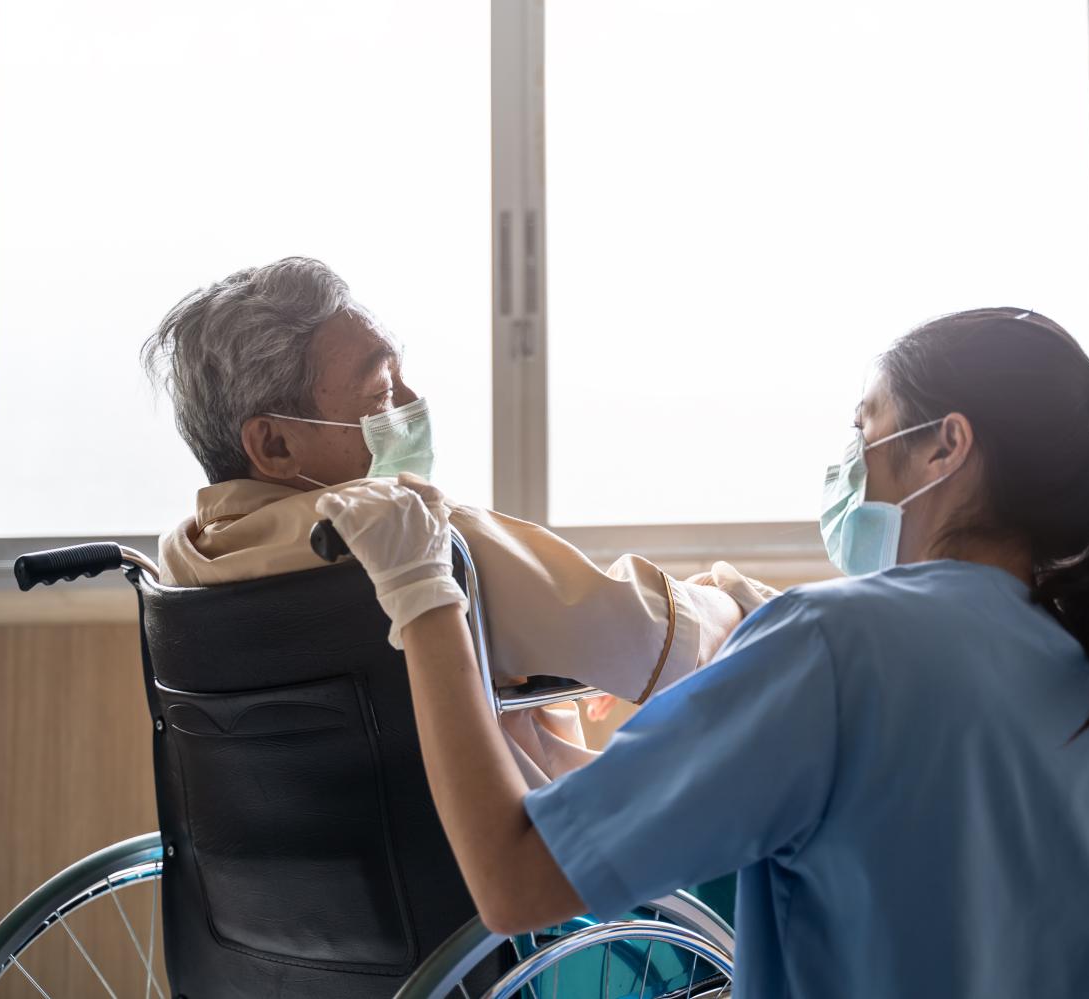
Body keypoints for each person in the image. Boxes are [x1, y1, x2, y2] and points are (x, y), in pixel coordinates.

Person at [323, 308, 1089, 998]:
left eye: (866, 428)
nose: (851, 461)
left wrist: (423, 591)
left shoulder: (836, 643)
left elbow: (514, 883)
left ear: (947, 444)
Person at [142, 256, 763, 785]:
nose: (413, 405)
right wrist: (730, 597)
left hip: (291, 903)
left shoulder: (183, 563)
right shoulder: (416, 542)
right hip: (519, 893)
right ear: (275, 446)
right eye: (383, 392)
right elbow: (650, 642)